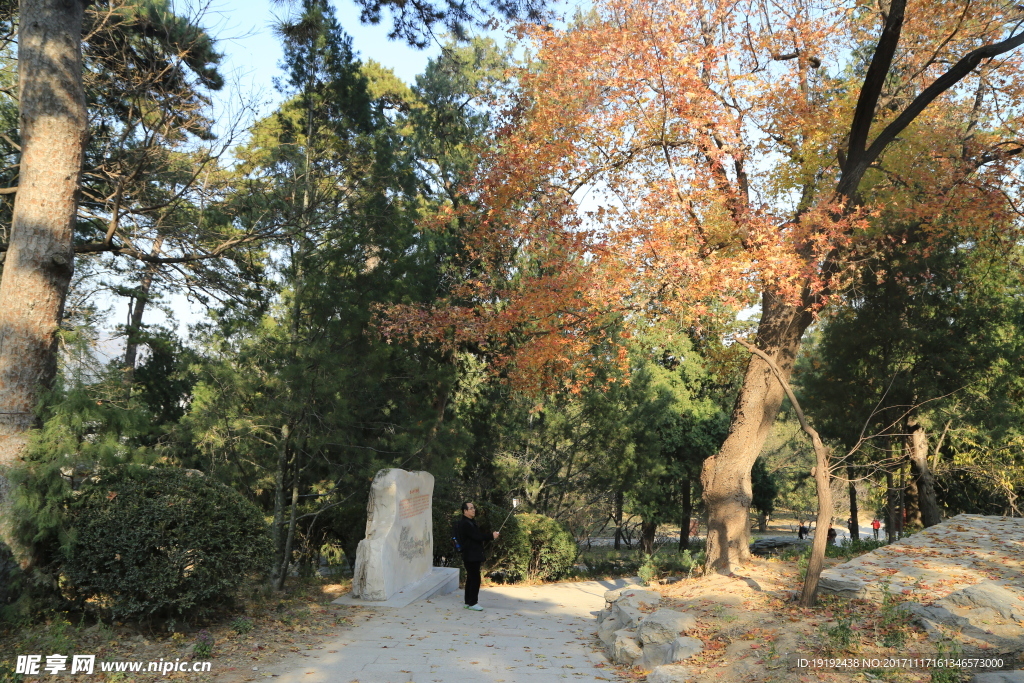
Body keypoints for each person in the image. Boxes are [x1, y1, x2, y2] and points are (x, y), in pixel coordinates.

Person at [455, 502, 499, 611]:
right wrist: (491, 536)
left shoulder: (470, 522)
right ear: (465, 511)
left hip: (472, 554)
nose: (473, 510)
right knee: (475, 579)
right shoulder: (465, 523)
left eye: (473, 508)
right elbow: (476, 536)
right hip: (470, 555)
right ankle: (473, 602)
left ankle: (468, 602)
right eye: (470, 508)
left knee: (470, 578)